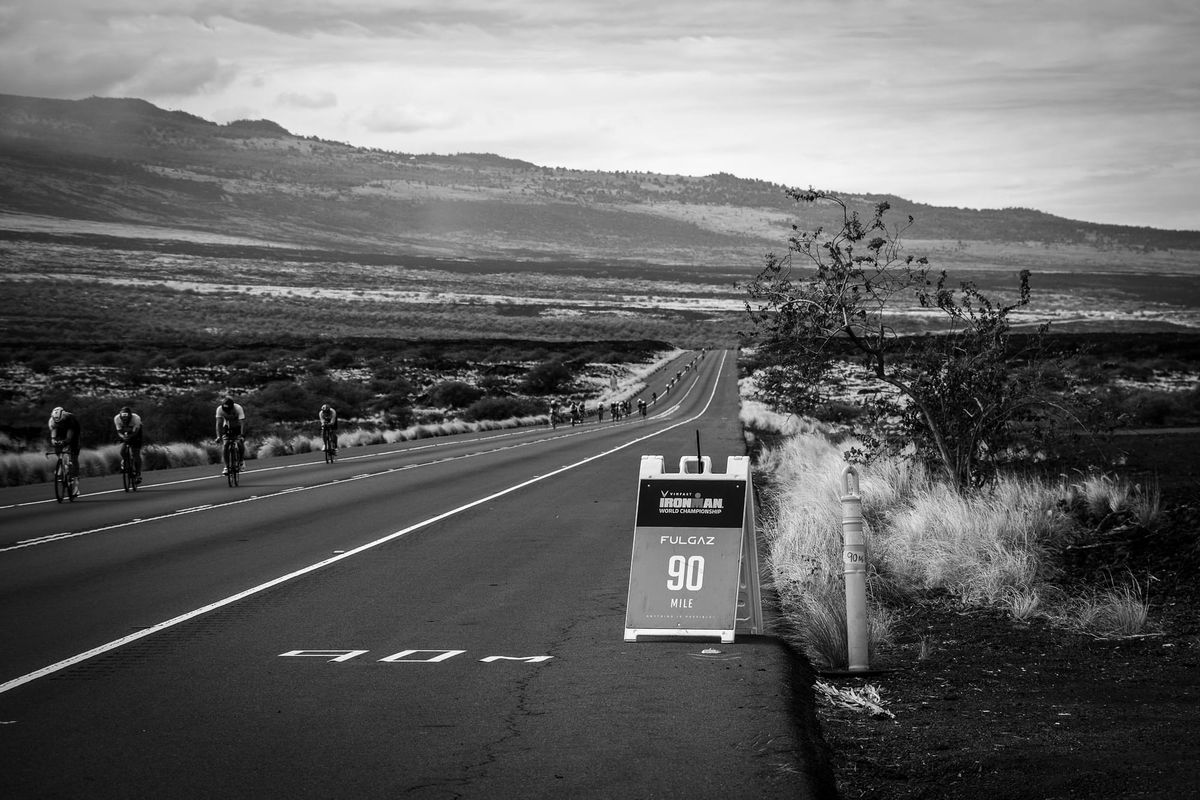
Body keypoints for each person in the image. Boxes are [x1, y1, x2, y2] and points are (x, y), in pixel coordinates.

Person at [214, 396, 246, 475]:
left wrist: (241, 435)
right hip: (227, 426)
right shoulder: (219, 409)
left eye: (229, 410)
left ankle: (241, 461)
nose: (228, 412)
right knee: (225, 445)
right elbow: (218, 424)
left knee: (239, 443)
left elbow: (242, 423)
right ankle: (226, 467)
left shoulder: (238, 408)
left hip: (237, 426)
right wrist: (218, 436)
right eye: (226, 410)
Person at [48, 406, 81, 479]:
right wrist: (53, 440)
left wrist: (66, 441)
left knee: (74, 455)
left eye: (60, 421)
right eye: (57, 422)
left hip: (73, 432)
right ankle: (61, 464)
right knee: (57, 446)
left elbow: (69, 437)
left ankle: (75, 475)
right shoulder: (52, 421)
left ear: (63, 416)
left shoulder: (70, 419)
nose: (59, 423)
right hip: (60, 432)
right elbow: (54, 431)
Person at [113, 405, 143, 484]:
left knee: (136, 453)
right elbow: (119, 432)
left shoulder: (136, 418)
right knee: (122, 452)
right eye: (123, 418)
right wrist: (123, 437)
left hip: (136, 433)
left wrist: (130, 436)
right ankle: (125, 460)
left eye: (127, 418)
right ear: (120, 416)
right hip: (124, 432)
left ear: (130, 416)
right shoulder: (117, 418)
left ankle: (138, 474)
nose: (125, 419)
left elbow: (136, 431)